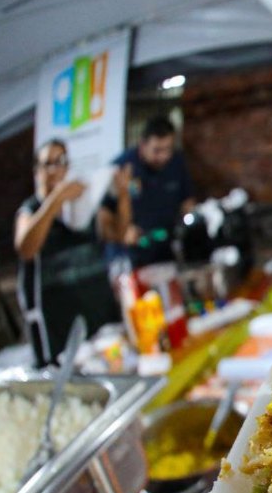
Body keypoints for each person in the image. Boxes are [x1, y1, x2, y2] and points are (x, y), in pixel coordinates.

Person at [15, 138, 122, 366]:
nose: (54, 169)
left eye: (60, 162)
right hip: (58, 333)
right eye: (47, 163)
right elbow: (26, 248)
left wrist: (122, 193)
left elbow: (117, 233)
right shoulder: (30, 211)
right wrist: (56, 199)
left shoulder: (82, 204)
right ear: (37, 171)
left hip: (97, 321)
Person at [99, 115, 196, 268]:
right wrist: (123, 231)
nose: (163, 156)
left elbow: (187, 200)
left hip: (166, 251)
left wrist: (189, 223)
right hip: (129, 257)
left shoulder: (177, 162)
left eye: (168, 149)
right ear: (142, 145)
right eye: (157, 150)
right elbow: (104, 219)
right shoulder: (120, 169)